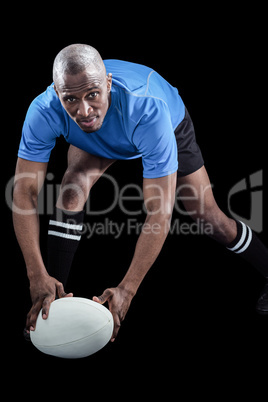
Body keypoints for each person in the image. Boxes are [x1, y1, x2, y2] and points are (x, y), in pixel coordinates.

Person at [13, 44, 268, 343]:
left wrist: (127, 288)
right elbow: (25, 191)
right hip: (101, 134)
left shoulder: (148, 109)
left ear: (107, 83)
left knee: (209, 218)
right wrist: (36, 275)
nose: (83, 110)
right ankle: (51, 303)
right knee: (72, 190)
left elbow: (159, 211)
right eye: (70, 99)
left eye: (93, 94)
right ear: (57, 93)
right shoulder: (44, 110)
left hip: (158, 126)